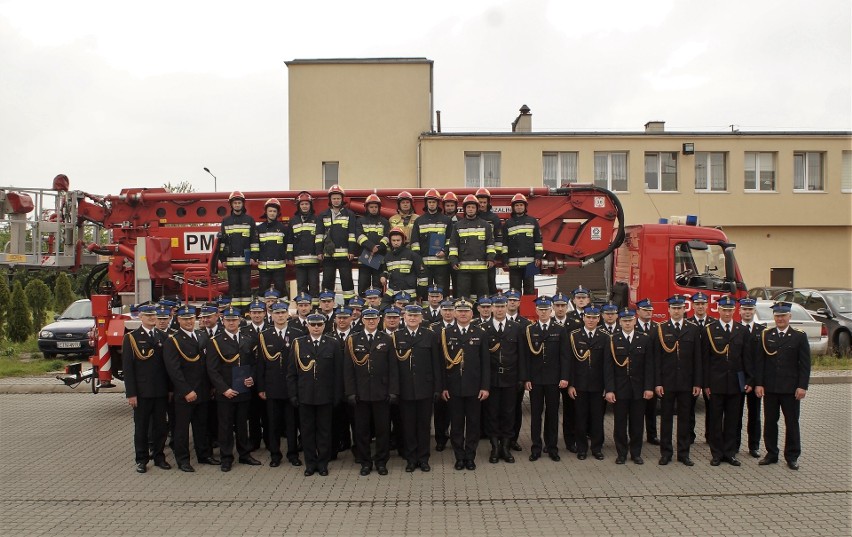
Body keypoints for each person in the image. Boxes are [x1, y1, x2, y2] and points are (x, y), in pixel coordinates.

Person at [755, 302, 810, 471]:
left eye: (783, 315)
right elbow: (760, 362)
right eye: (777, 316)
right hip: (770, 388)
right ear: (774, 317)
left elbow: (804, 364)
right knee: (770, 422)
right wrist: (759, 383)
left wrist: (802, 386)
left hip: (790, 389)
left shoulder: (799, 336)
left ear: (789, 317)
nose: (780, 318)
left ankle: (792, 456)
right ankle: (771, 453)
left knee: (792, 423)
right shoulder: (766, 335)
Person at [287, 312, 344, 477]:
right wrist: (293, 395)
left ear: (324, 326)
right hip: (305, 396)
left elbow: (338, 374)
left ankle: (323, 463)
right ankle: (310, 464)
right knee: (307, 432)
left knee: (325, 432)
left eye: (319, 324)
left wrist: (337, 396)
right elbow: (292, 373)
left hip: (325, 397)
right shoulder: (298, 344)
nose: (316, 327)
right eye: (313, 325)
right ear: (308, 326)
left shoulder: (332, 344)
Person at [205, 306, 261, 472]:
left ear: (239, 321)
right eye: (228, 320)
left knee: (243, 424)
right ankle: (226, 457)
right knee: (226, 426)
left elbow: (252, 364)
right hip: (226, 392)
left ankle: (244, 454)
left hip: (243, 390)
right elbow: (212, 369)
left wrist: (252, 378)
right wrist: (224, 389)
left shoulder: (247, 338)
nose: (231, 322)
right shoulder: (215, 341)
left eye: (234, 320)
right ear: (223, 321)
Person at [344, 307, 398, 476]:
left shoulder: (387, 339)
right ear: (363, 321)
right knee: (362, 430)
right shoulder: (353, 340)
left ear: (378, 320)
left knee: (383, 430)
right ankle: (365, 462)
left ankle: (381, 462)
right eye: (368, 319)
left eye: (374, 319)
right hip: (361, 394)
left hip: (381, 393)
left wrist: (393, 391)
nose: (371, 322)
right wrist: (350, 392)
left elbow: (393, 369)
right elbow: (348, 370)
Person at [163, 306, 216, 473]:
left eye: (191, 318)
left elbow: (208, 365)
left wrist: (211, 387)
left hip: (203, 391)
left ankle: (204, 454)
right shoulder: (173, 340)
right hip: (185, 393)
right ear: (178, 320)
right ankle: (183, 459)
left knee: (202, 426)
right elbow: (174, 370)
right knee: (181, 429)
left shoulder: (202, 335)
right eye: (185, 319)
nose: (189, 321)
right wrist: (186, 391)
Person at [441, 298, 490, 470]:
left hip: (474, 387)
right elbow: (441, 364)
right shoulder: (446, 333)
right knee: (456, 424)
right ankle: (459, 456)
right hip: (453, 388)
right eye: (460, 311)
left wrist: (485, 387)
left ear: (472, 314)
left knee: (473, 423)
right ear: (454, 313)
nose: (463, 314)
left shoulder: (480, 333)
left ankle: (470, 456)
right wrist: (443, 387)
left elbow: (485, 363)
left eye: (466, 311)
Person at [653, 295, 702, 466]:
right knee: (666, 419)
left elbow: (698, 359)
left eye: (679, 308)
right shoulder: (661, 329)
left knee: (685, 419)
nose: (676, 311)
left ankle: (683, 453)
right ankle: (666, 453)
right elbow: (657, 360)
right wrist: (657, 383)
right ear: (668, 310)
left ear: (684, 309)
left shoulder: (693, 329)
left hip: (686, 383)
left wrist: (697, 383)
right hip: (667, 382)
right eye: (673, 308)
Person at [703, 295, 750, 467]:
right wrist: (706, 383)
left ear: (734, 311)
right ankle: (716, 453)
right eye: (724, 310)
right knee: (715, 420)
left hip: (736, 383)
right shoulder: (710, 329)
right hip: (716, 382)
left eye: (730, 310)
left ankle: (730, 453)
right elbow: (705, 359)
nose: (727, 313)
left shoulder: (741, 330)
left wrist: (749, 380)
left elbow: (747, 358)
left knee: (732, 420)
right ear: (719, 310)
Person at [394, 305, 442, 472]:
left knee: (423, 425)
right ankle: (411, 458)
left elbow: (437, 363)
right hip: (405, 388)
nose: (412, 318)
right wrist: (395, 389)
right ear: (404, 317)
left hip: (425, 388)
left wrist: (437, 387)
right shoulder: (397, 336)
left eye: (416, 316)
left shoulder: (430, 335)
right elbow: (394, 368)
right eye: (409, 315)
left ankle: (423, 458)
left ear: (421, 318)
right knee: (408, 425)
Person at [123, 304, 170, 473]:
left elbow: (167, 367)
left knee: (160, 427)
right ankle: (141, 459)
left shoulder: (163, 336)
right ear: (140, 317)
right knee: (141, 428)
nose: (152, 318)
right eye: (148, 316)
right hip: (142, 393)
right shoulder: (132, 338)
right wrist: (131, 393)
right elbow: (128, 369)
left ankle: (159, 457)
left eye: (154, 316)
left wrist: (169, 389)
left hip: (160, 391)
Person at [256, 301, 304, 468]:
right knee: (273, 423)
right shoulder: (265, 335)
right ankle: (275, 454)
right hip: (272, 387)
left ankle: (293, 454)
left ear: (287, 314)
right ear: (272, 315)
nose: (280, 316)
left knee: (292, 423)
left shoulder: (297, 333)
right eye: (276, 313)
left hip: (291, 387)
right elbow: (260, 364)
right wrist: (261, 387)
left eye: (283, 313)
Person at [604, 308, 654, 465]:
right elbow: (608, 368)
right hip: (620, 390)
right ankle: (621, 453)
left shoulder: (644, 339)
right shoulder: (613, 340)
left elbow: (649, 367)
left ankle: (636, 453)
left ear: (635, 321)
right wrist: (610, 389)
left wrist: (648, 387)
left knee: (637, 423)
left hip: (638, 390)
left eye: (630, 320)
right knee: (619, 424)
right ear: (620, 322)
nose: (627, 323)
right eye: (624, 320)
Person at [522, 296, 569, 462]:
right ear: (536, 311)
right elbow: (526, 357)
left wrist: (564, 377)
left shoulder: (560, 329)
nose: (543, 312)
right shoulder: (530, 330)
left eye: (546, 309)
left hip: (553, 380)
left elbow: (565, 356)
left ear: (551, 311)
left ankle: (552, 447)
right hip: (535, 380)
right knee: (536, 415)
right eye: (540, 310)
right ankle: (536, 448)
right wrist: (526, 378)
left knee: (552, 414)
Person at [482, 295, 524, 463]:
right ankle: (494, 447)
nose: (499, 310)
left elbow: (521, 355)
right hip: (491, 379)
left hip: (510, 378)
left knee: (508, 413)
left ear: (507, 307)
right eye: (496, 307)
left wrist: (522, 377)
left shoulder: (516, 328)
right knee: (492, 413)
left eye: (502, 306)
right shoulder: (483, 328)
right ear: (491, 308)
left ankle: (506, 447)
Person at [567, 306, 608, 461]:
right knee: (580, 418)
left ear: (599, 319)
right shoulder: (574, 336)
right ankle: (582, 448)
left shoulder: (605, 337)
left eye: (594, 317)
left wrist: (607, 386)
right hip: (580, 385)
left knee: (597, 418)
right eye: (588, 317)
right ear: (583, 318)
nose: (591, 320)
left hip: (598, 385)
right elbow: (570, 362)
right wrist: (571, 384)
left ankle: (597, 448)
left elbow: (607, 365)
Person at [448, 194, 495, 300]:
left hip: (482, 269)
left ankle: (482, 316)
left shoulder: (485, 225)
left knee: (483, 297)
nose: (470, 209)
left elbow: (490, 244)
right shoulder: (457, 226)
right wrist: (453, 260)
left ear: (477, 209)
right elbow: (453, 245)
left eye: (473, 207)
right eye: (468, 207)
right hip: (463, 269)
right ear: (464, 209)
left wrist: (490, 258)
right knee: (463, 297)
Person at [317, 184, 358, 304]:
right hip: (328, 256)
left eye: (338, 198)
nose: (336, 200)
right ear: (330, 199)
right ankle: (327, 307)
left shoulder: (349, 214)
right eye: (334, 198)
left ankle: (349, 307)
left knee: (347, 282)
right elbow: (319, 235)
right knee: (327, 282)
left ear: (342, 199)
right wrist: (319, 251)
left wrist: (351, 251)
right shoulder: (323, 215)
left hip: (344, 256)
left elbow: (352, 234)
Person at [410, 189, 453, 299]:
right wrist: (418, 261)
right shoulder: (419, 221)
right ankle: (425, 313)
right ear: (426, 203)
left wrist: (445, 251)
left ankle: (443, 312)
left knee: (443, 291)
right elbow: (415, 242)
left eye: (434, 202)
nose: (432, 204)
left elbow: (450, 240)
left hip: (442, 264)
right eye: (429, 202)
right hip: (425, 264)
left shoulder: (446, 220)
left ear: (438, 203)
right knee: (425, 292)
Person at [219, 191, 258, 308]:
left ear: (243, 204)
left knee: (246, 287)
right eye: (235, 203)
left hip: (246, 261)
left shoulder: (250, 220)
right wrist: (222, 258)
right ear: (231, 205)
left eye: (239, 203)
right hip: (231, 261)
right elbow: (223, 242)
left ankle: (246, 311)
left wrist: (253, 256)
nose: (237, 205)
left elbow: (254, 240)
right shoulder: (226, 221)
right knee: (234, 288)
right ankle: (235, 311)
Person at [737, 298, 766, 458]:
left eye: (750, 309)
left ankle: (754, 446)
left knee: (754, 415)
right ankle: (734, 445)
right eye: (744, 309)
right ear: (739, 311)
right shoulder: (734, 328)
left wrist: (757, 382)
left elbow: (762, 359)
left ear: (754, 311)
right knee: (736, 415)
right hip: (739, 379)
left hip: (755, 381)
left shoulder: (762, 330)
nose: (747, 312)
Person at [505, 289, 531, 453]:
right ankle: (500, 438)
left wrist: (524, 377)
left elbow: (527, 354)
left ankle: (512, 439)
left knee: (515, 408)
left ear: (519, 303)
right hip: (500, 374)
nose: (512, 302)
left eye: (515, 300)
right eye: (510, 300)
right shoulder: (495, 322)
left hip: (517, 375)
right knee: (500, 409)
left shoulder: (525, 324)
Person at [502, 193, 543, 295]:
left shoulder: (533, 221)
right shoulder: (508, 223)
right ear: (513, 207)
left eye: (521, 205)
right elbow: (505, 243)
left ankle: (528, 311)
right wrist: (505, 258)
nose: (519, 207)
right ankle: (516, 311)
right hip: (513, 264)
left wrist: (538, 256)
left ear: (525, 207)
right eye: (516, 205)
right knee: (514, 292)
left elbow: (538, 241)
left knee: (530, 290)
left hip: (530, 263)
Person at [551, 291, 576, 453]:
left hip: (569, 374)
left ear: (567, 307)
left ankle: (570, 441)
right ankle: (551, 442)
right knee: (552, 411)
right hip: (552, 375)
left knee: (570, 410)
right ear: (553, 307)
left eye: (563, 306)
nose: (560, 309)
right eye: (557, 306)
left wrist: (570, 378)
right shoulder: (548, 322)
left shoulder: (576, 324)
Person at [289, 191, 322, 307]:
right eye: (302, 204)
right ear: (299, 205)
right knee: (301, 287)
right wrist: (289, 256)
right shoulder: (293, 220)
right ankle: (302, 309)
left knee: (314, 286)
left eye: (306, 204)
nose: (304, 206)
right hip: (299, 262)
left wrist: (319, 252)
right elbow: (290, 240)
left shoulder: (316, 219)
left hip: (313, 261)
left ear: (310, 205)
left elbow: (319, 238)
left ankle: (314, 310)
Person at [635, 298, 660, 446]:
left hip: (651, 372)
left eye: (650, 310)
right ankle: (635, 435)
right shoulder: (632, 326)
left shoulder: (657, 328)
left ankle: (652, 435)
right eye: (645, 310)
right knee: (636, 410)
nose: (648, 312)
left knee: (651, 408)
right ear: (638, 312)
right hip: (636, 373)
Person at [381, 227, 426, 308]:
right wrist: (383, 276)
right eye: (393, 240)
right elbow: (385, 270)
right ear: (390, 241)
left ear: (403, 241)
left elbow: (422, 277)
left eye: (398, 240)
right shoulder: (388, 256)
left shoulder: (412, 255)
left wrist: (419, 294)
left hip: (410, 294)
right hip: (392, 292)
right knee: (382, 308)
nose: (396, 243)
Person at [355, 193, 390, 295]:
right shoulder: (360, 221)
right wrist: (371, 247)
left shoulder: (384, 221)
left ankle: (377, 307)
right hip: (365, 257)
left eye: (375, 207)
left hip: (379, 258)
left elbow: (387, 236)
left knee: (378, 285)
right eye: (371, 207)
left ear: (379, 208)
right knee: (363, 284)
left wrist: (378, 248)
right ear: (367, 208)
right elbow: (359, 236)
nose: (374, 209)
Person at [256, 198, 290, 297]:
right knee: (263, 290)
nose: (272, 213)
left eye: (274, 211)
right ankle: (262, 311)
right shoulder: (259, 228)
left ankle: (283, 310)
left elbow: (287, 245)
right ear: (266, 212)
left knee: (281, 289)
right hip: (264, 267)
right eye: (270, 211)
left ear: (277, 213)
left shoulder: (283, 228)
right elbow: (255, 246)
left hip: (279, 267)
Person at [475, 187, 503, 296]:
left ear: (488, 203)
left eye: (484, 202)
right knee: (476, 286)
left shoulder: (494, 218)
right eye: (480, 202)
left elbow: (499, 238)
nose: (482, 205)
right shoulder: (472, 216)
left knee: (491, 283)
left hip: (490, 258)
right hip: (475, 257)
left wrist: (495, 256)